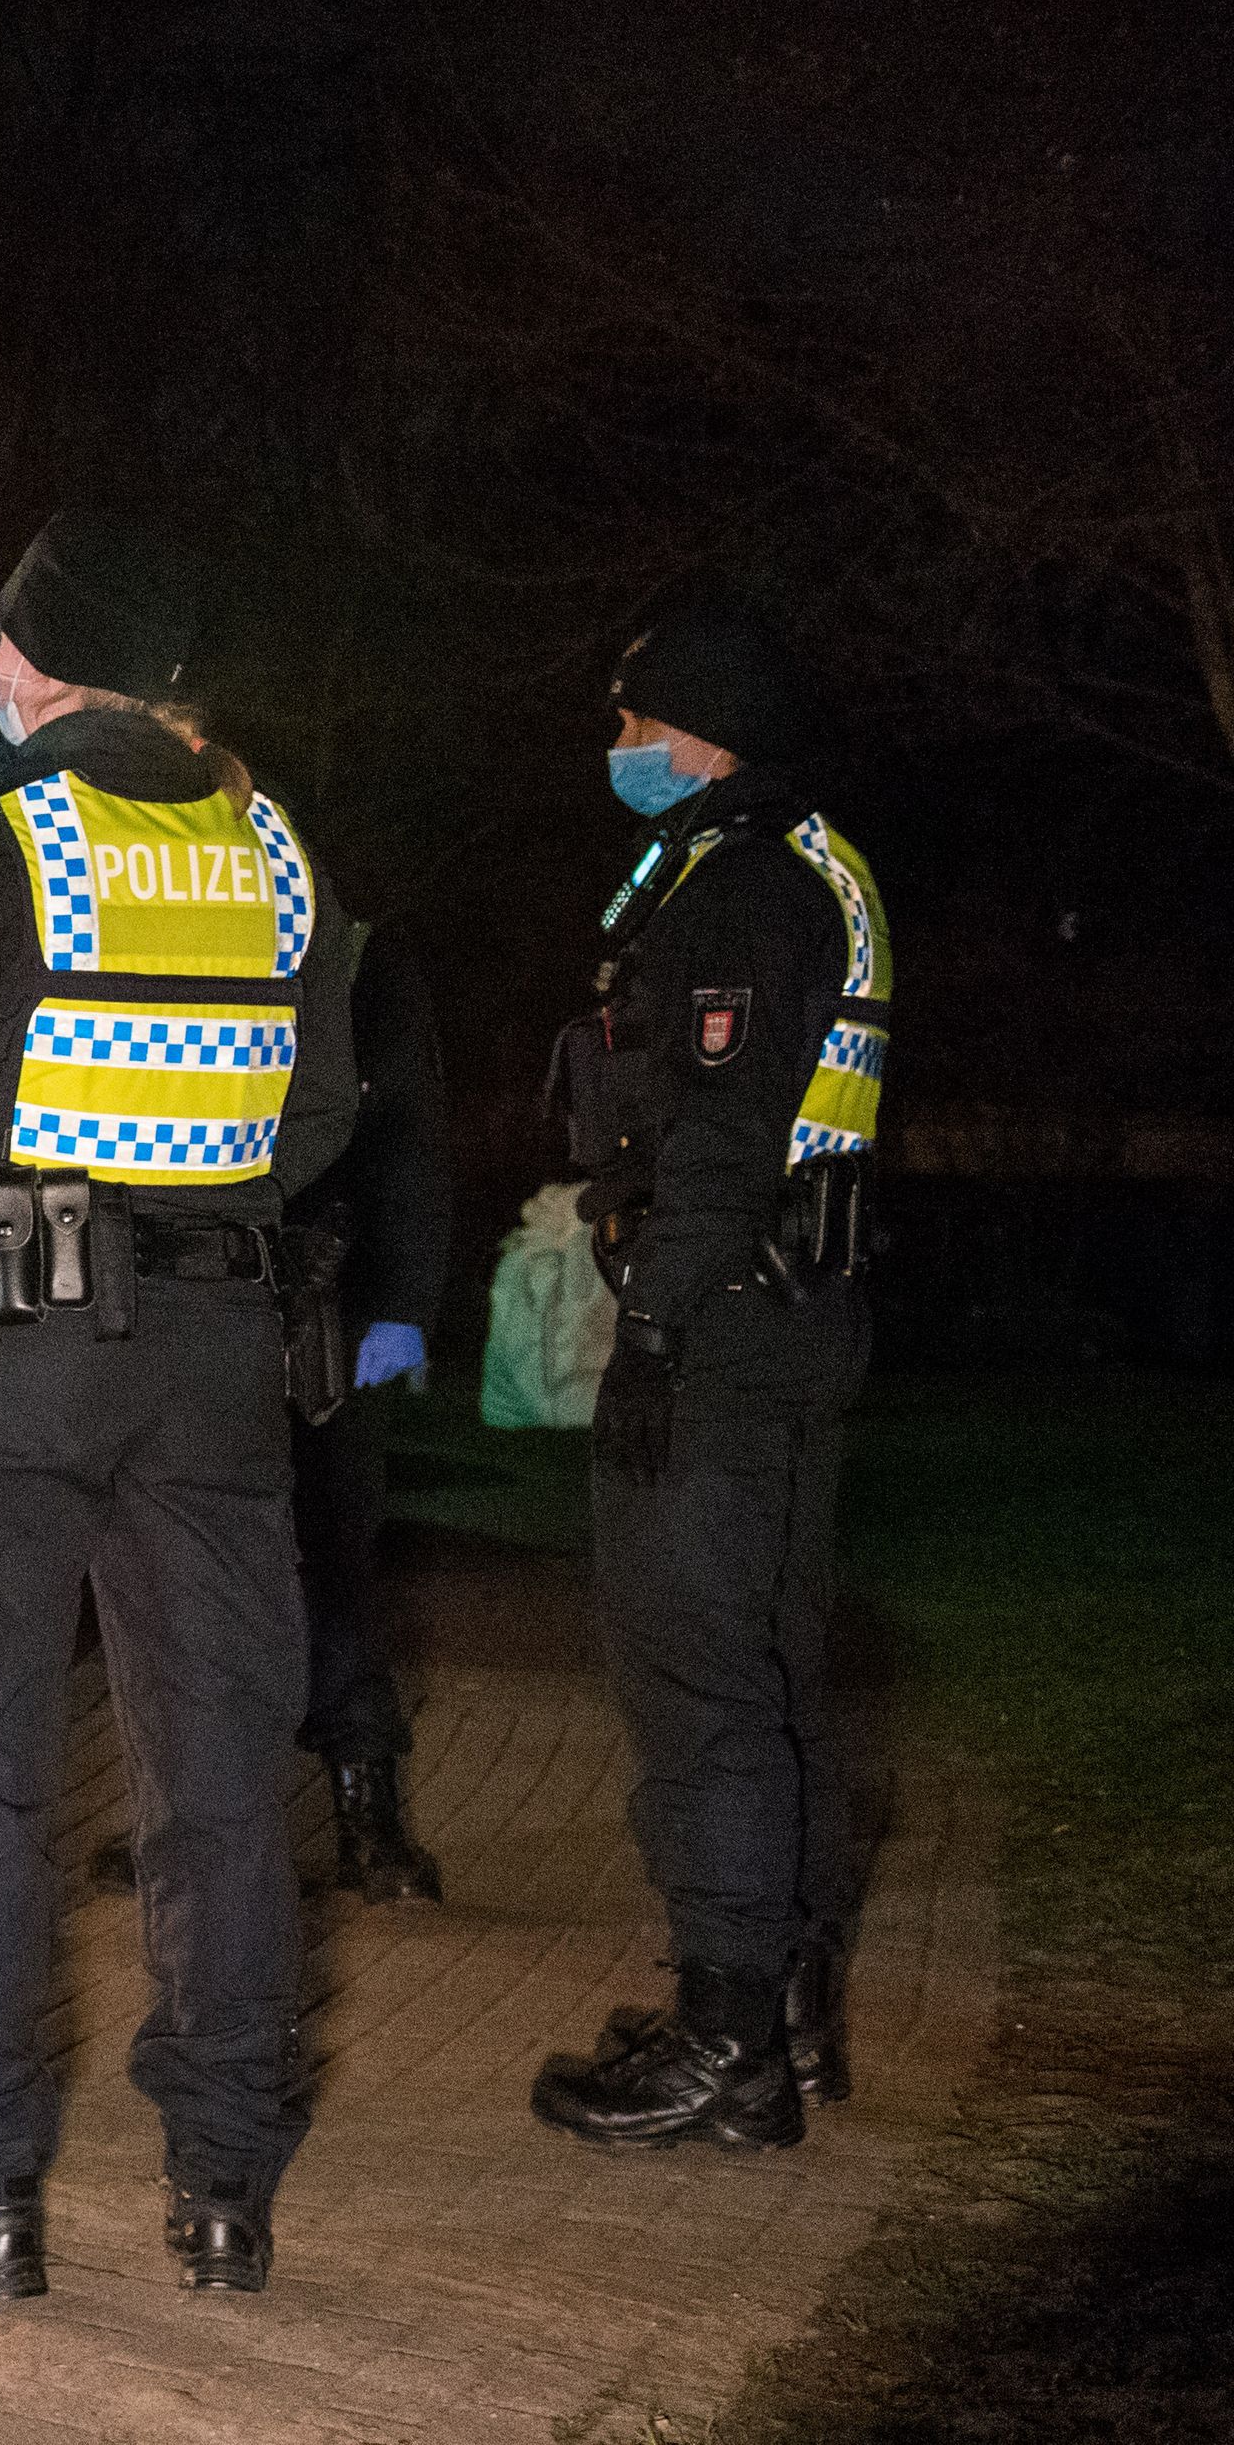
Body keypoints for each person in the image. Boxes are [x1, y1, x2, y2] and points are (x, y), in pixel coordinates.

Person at [0, 511, 357, 2304]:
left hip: (12, 1354)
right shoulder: (274, 850)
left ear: (35, 666)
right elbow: (321, 1121)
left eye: (2, 653)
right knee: (218, 1772)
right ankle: (223, 2190)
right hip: (218, 1364)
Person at [528, 602, 888, 2152]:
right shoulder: (818, 864)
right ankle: (787, 2008)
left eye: (634, 725)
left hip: (723, 1327)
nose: (617, 750)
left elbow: (722, 1143)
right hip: (803, 1317)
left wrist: (653, 1321)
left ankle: (725, 2042)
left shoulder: (738, 891)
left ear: (703, 734)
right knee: (777, 1674)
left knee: (699, 1684)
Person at [286, 917, 454, 1903]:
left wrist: (401, 1307)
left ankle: (368, 1815)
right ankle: (191, 1821)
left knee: (335, 1567)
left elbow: (412, 1138)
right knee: (199, 1583)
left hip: (328, 1306)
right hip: (200, 1311)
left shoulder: (355, 955)